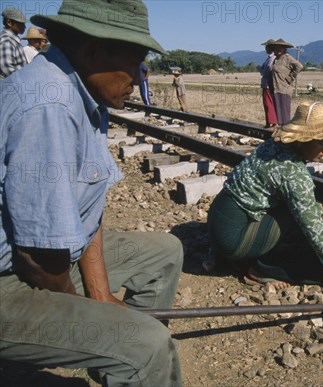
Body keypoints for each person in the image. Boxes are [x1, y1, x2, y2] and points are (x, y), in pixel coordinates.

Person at [0, 1, 183, 385]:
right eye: (136, 62)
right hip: (10, 275)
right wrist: (91, 315)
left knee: (166, 252)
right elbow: (40, 258)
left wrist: (100, 296)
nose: (140, 75)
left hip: (41, 257)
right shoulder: (49, 106)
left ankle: (112, 365)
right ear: (92, 51)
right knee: (146, 343)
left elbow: (86, 210)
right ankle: (125, 357)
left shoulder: (85, 91)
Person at [208, 102, 323, 288]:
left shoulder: (272, 147)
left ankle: (238, 255)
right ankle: (259, 270)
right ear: (301, 140)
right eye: (321, 142)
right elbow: (314, 228)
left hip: (217, 219)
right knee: (299, 222)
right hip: (231, 240)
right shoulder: (293, 173)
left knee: (298, 211)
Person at [271, 38, 303, 126]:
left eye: (281, 47)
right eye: (277, 47)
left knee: (284, 114)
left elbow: (299, 66)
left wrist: (291, 77)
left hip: (285, 89)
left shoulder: (287, 57)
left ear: (284, 49)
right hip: (277, 89)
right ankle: (281, 132)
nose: (278, 49)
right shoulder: (276, 59)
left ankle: (286, 134)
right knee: (279, 114)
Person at [0, 7, 27, 79]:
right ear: (9, 23)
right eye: (21, 23)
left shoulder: (12, 40)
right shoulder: (7, 40)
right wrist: (21, 81)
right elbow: (6, 67)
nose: (25, 27)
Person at [260, 38, 277, 128]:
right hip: (266, 83)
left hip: (267, 84)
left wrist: (261, 70)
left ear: (270, 48)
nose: (265, 48)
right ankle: (270, 121)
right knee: (268, 103)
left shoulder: (272, 58)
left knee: (268, 103)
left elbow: (267, 70)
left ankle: (271, 122)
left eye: (266, 47)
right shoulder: (269, 58)